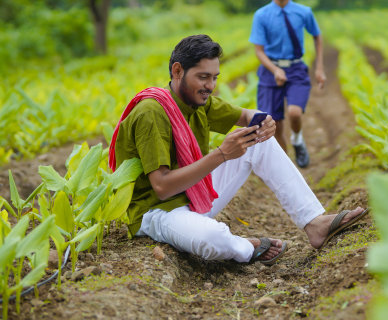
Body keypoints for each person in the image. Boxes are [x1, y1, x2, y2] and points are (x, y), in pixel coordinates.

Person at [110, 34, 367, 265]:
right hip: (159, 211)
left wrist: (263, 121)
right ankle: (246, 247)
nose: (210, 86)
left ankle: (314, 221)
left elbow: (246, 116)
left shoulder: (198, 101)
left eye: (214, 78)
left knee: (259, 140)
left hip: (193, 195)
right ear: (177, 71)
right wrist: (221, 154)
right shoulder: (152, 112)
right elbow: (162, 187)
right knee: (213, 236)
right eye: (203, 77)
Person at [249, 0, 326, 168]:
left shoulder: (304, 12)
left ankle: (298, 140)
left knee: (294, 112)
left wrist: (319, 68)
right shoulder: (261, 15)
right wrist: (275, 70)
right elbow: (259, 50)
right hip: (269, 71)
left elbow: (317, 36)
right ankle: (285, 166)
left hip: (296, 69)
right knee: (273, 123)